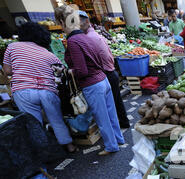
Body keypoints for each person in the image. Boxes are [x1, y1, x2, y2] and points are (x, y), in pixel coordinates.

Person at [55, 4, 124, 156]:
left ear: (62, 22)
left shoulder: (73, 41)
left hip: (92, 84)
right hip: (103, 80)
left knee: (102, 118)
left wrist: (66, 71)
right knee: (111, 114)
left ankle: (111, 146)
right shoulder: (86, 36)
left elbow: (82, 71)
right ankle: (119, 139)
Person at [2, 22, 76, 153]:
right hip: (47, 90)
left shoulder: (12, 47)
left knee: (34, 124)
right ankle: (69, 145)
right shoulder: (49, 54)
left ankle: (45, 153)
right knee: (57, 120)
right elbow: (61, 71)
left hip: (23, 90)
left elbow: (7, 71)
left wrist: (23, 69)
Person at [79, 11, 129, 129]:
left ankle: (119, 125)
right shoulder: (95, 35)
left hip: (106, 73)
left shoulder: (89, 38)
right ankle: (123, 123)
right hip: (110, 72)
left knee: (113, 103)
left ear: (86, 21)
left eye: (77, 23)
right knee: (116, 101)